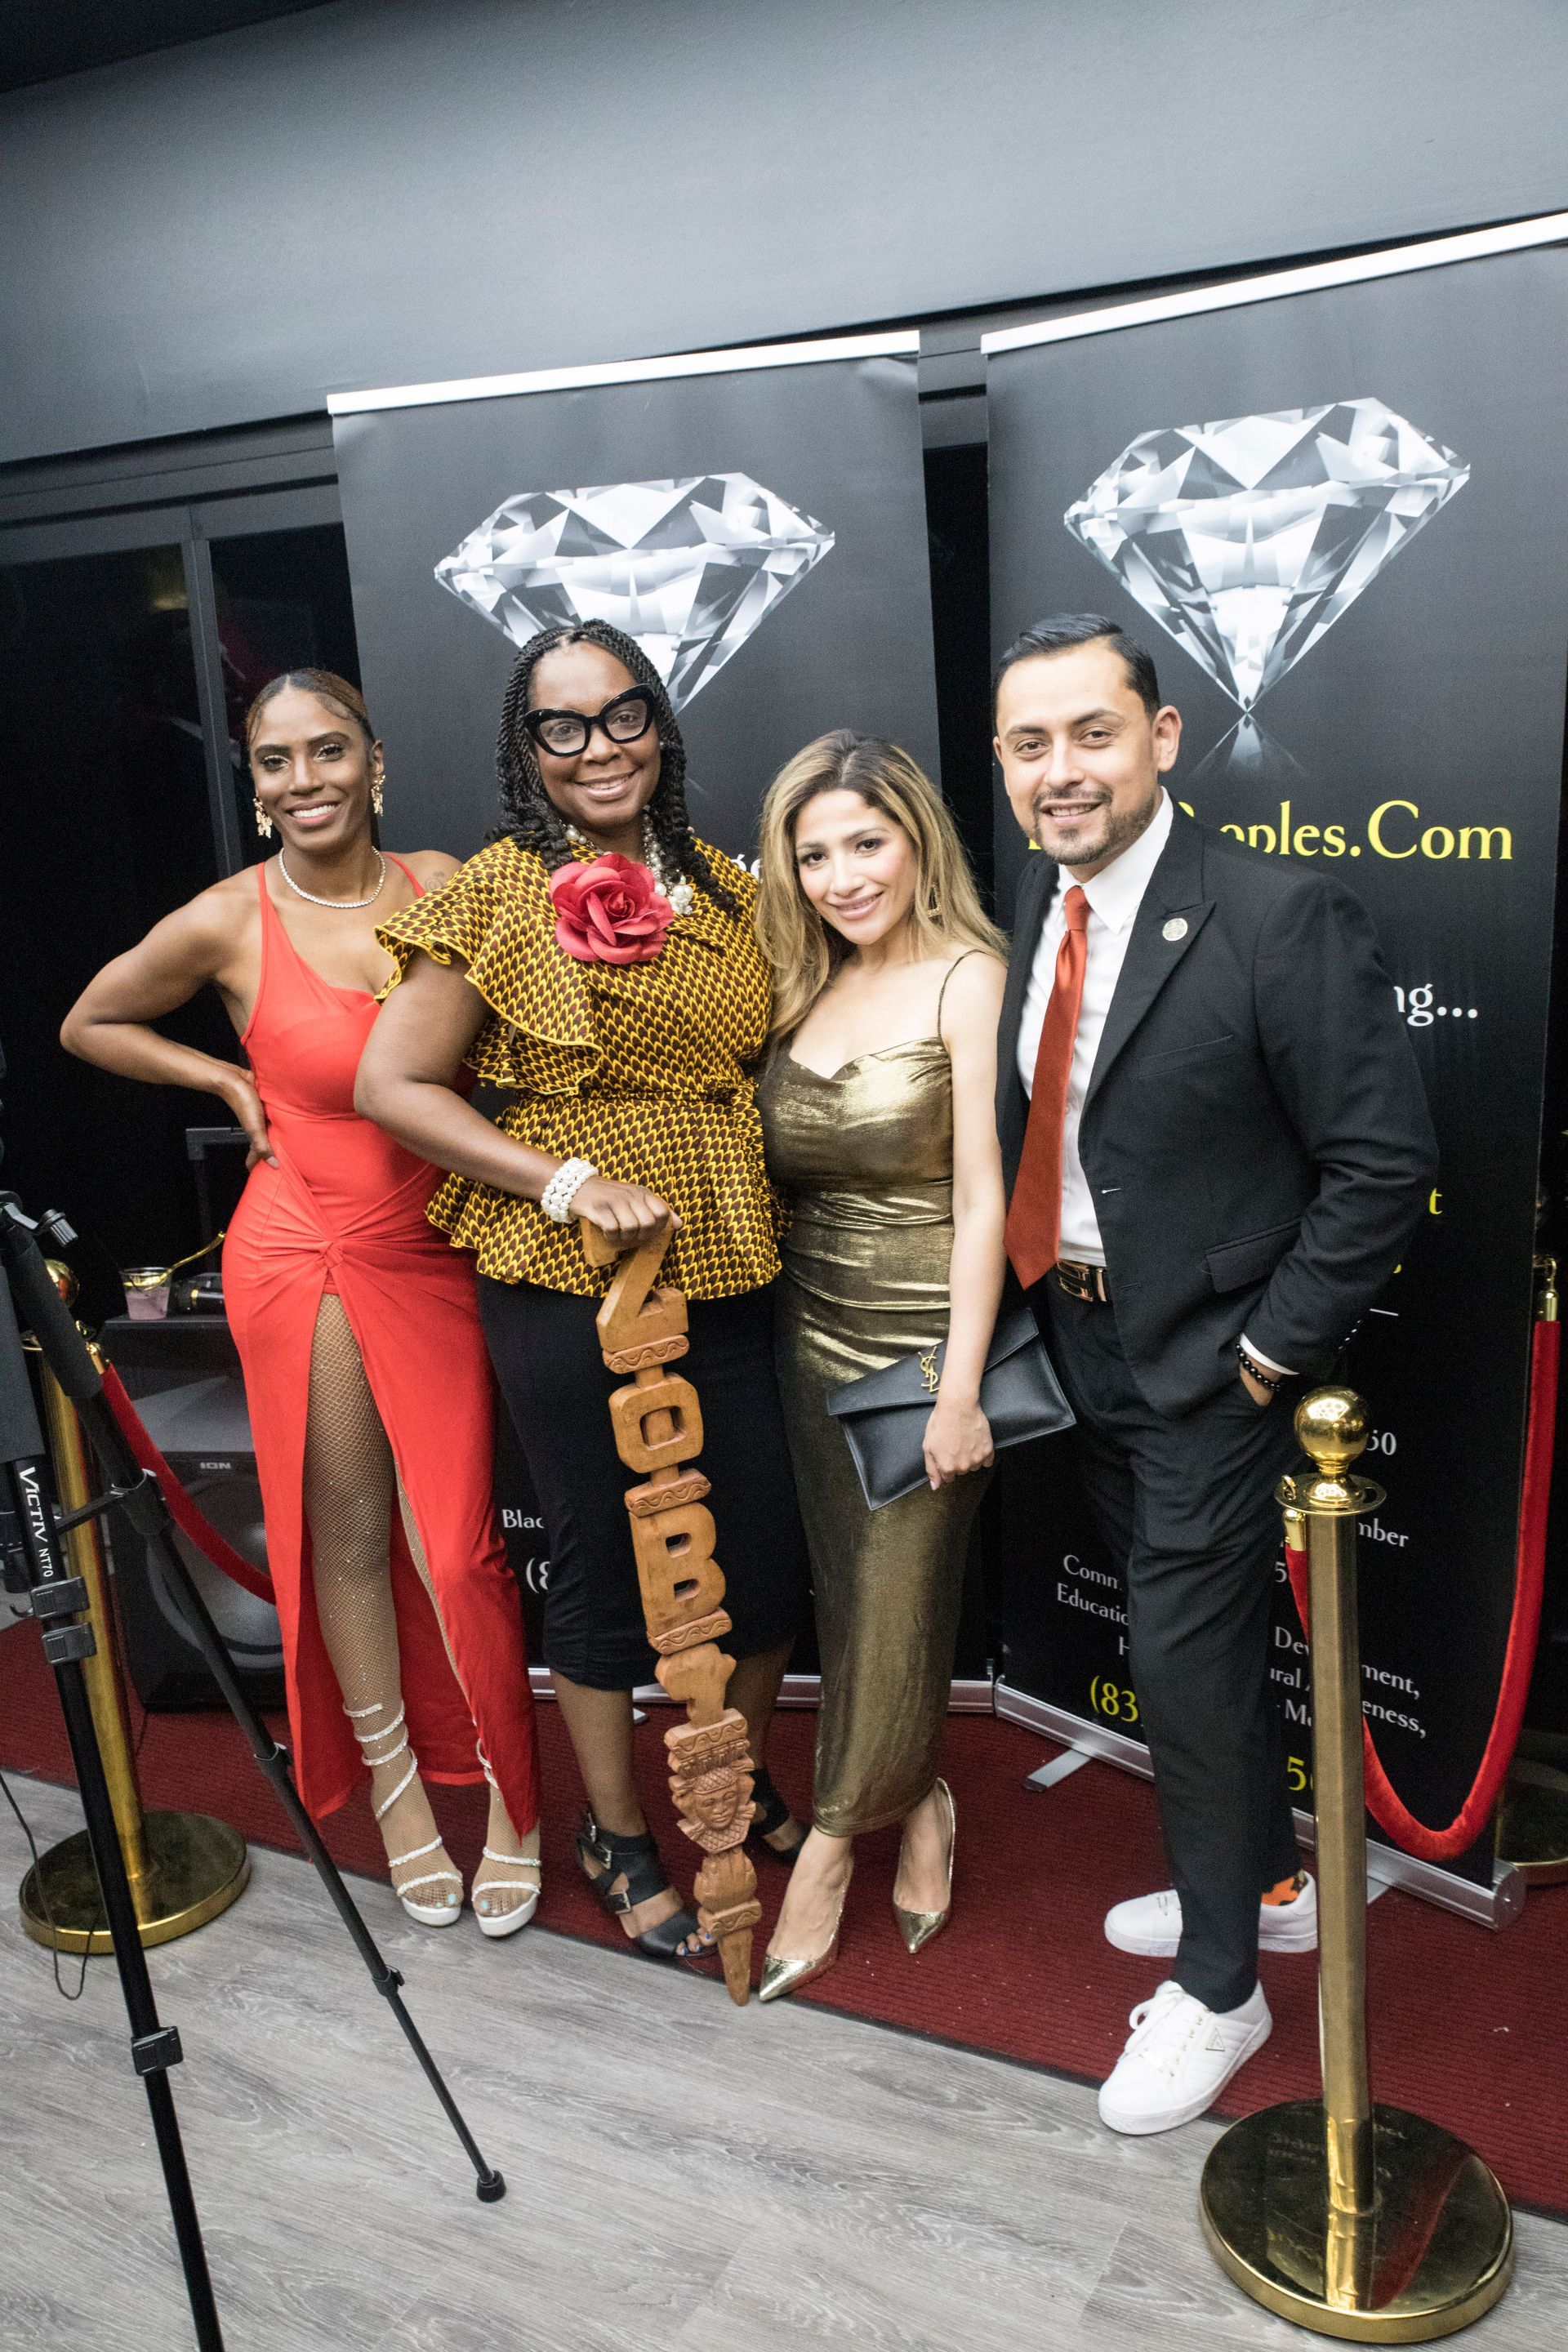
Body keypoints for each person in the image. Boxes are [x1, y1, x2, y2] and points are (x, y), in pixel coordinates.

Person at [992, 614, 1437, 2132]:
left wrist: (1264, 1355)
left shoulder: (1273, 912)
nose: (1062, 770)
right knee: (1201, 1657)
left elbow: (1382, 1164)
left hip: (1212, 1366)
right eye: (1030, 744)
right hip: (1081, 1340)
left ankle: (1221, 1989)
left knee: (1184, 1675)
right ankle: (1262, 1888)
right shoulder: (1038, 907)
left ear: (1164, 738)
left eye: (1093, 733)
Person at [354, 619, 810, 1968]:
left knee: (763, 1551)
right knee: (604, 1557)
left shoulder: (728, 885)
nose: (597, 747)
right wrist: (565, 1181)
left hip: (727, 1246)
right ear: (527, 748)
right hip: (563, 1269)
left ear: (658, 724)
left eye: (621, 715)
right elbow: (392, 1085)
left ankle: (733, 1775)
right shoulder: (499, 893)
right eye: (562, 725)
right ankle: (615, 1833)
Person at [60, 670, 542, 1936]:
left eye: (327, 750)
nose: (304, 778)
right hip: (303, 1245)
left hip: (432, 1239)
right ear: (254, 781)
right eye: (275, 760)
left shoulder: (446, 884)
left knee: (458, 1547)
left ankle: (513, 1795)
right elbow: (90, 1022)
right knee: (347, 1531)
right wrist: (222, 1080)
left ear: (374, 763)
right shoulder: (228, 919)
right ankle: (395, 1790)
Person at [753, 733, 1008, 2000]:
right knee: (851, 1597)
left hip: (926, 1338)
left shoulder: (970, 975)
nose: (843, 876)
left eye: (867, 843)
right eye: (815, 856)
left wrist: (960, 1389)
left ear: (918, 842)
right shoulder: (795, 985)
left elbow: (983, 1199)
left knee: (902, 1594)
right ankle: (922, 1803)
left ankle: (830, 1849)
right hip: (805, 1326)